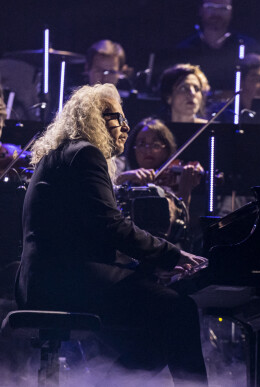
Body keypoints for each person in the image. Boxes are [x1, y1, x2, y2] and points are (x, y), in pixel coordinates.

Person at [15, 84, 208, 385]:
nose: (127, 127)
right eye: (119, 118)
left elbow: (88, 232)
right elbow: (111, 225)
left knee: (156, 331)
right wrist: (172, 254)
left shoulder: (60, 156)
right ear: (94, 118)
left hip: (46, 280)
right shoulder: (86, 154)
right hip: (66, 281)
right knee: (179, 310)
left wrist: (144, 268)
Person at [160, 0, 260, 97]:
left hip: (237, 111)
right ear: (200, 10)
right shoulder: (183, 49)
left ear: (231, 11)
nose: (216, 13)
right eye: (211, 7)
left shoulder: (248, 47)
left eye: (223, 8)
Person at [116, 117, 204, 211]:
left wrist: (184, 191)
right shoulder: (121, 168)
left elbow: (179, 220)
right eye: (142, 144)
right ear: (134, 149)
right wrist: (123, 178)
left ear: (167, 149)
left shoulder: (173, 182)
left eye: (156, 145)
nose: (148, 150)